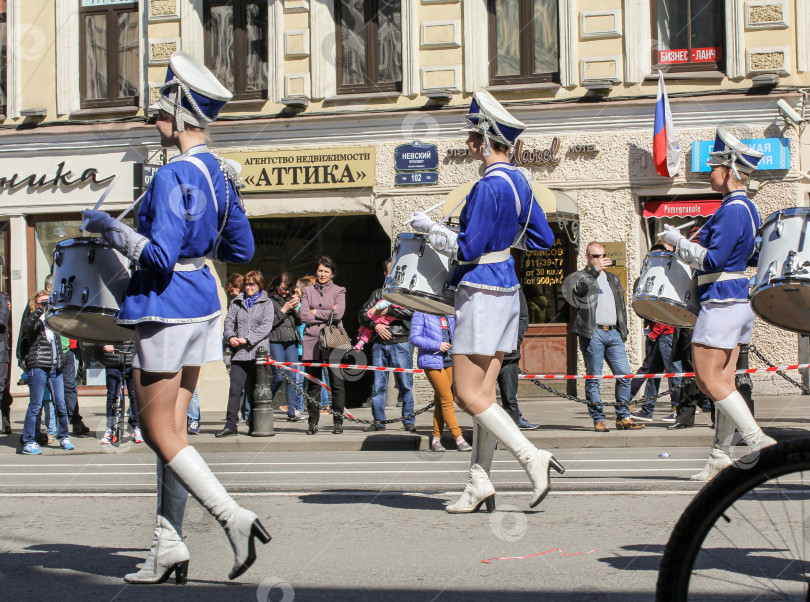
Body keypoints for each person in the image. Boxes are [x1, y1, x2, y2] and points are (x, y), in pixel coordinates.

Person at [81, 51, 269, 584]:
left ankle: (233, 517)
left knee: (156, 429)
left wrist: (107, 229)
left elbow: (159, 257)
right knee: (173, 432)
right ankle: (168, 544)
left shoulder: (172, 176)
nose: (155, 118)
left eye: (162, 108)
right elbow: (243, 244)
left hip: (164, 304)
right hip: (203, 300)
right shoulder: (219, 173)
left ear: (181, 110)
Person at [409, 90, 564, 513]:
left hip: (479, 290)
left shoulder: (485, 186)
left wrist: (430, 230)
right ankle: (479, 482)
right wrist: (503, 238)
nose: (468, 143)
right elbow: (543, 239)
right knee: (486, 395)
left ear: (484, 140)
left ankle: (533, 457)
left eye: (472, 136)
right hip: (508, 289)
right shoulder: (522, 182)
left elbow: (467, 247)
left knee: (466, 394)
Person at [659, 127, 775, 481]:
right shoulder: (749, 209)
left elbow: (712, 261)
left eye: (714, 167)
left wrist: (677, 241)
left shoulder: (732, 209)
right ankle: (718, 456)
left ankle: (757, 441)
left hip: (722, 302)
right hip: (738, 300)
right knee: (725, 381)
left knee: (710, 380)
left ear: (730, 171)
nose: (709, 173)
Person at [565, 242, 645, 432]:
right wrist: (594, 272)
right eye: (596, 256)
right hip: (593, 333)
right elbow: (579, 292)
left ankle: (624, 417)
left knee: (624, 374)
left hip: (614, 332)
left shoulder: (612, 279)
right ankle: (599, 418)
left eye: (603, 256)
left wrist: (623, 331)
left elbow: (621, 307)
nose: (600, 260)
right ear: (587, 258)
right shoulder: (581, 276)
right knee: (595, 378)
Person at [360, 259, 416, 433]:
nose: (394, 275)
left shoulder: (406, 294)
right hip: (379, 343)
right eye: (390, 272)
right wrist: (375, 325)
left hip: (401, 341)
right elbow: (362, 315)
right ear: (385, 274)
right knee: (378, 385)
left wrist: (389, 311)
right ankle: (378, 421)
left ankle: (408, 421)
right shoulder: (378, 294)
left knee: (405, 384)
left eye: (397, 272)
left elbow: (412, 313)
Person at [218, 270, 273, 437]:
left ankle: (253, 423)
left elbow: (266, 326)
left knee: (254, 390)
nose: (248, 287)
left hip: (258, 352)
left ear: (259, 285)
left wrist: (247, 339)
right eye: (246, 284)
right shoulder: (237, 302)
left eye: (252, 284)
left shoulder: (267, 303)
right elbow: (228, 322)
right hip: (240, 353)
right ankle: (230, 424)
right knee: (235, 388)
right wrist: (231, 337)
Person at [19, 290, 74, 455]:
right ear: (35, 305)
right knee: (35, 405)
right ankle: (29, 441)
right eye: (42, 303)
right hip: (38, 365)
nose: (45, 305)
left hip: (55, 367)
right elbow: (26, 327)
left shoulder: (53, 319)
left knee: (61, 405)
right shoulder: (35, 320)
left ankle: (63, 436)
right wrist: (39, 311)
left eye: (47, 302)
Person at [409, 311, 471, 452]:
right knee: (447, 398)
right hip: (432, 360)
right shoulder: (421, 312)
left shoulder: (448, 311)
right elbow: (414, 337)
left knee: (439, 400)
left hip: (449, 360)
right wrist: (437, 345)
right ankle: (459, 439)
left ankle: (436, 440)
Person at [300, 256, 347, 434]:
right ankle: (313, 422)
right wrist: (328, 312)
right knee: (313, 384)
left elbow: (339, 315)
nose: (322, 274)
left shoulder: (339, 290)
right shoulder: (307, 290)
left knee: (337, 383)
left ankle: (338, 422)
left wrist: (316, 312)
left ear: (332, 274)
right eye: (320, 270)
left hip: (333, 340)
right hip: (312, 340)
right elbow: (304, 315)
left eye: (326, 271)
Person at [497, 286, 539, 430]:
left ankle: (514, 424)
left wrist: (515, 340)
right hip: (486, 353)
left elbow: (523, 317)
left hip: (508, 354)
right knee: (485, 396)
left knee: (510, 396)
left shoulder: (515, 291)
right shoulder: (483, 289)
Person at [267, 272, 305, 422]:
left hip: (291, 341)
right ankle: (263, 402)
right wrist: (284, 309)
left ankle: (291, 411)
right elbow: (269, 323)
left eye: (288, 288)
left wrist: (296, 309)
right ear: (276, 286)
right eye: (283, 288)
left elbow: (300, 321)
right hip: (276, 340)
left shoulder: (290, 299)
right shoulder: (269, 301)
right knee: (278, 376)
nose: (285, 291)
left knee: (292, 377)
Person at [97, 341, 144, 445]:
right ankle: (110, 428)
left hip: (131, 360)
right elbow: (96, 335)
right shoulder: (107, 323)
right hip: (112, 360)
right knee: (112, 396)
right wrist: (104, 344)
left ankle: (137, 427)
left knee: (134, 395)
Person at [0, 289, 12, 434]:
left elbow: (2, 321)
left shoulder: (3, 298)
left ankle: (5, 418)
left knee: (2, 387)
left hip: (0, 350)